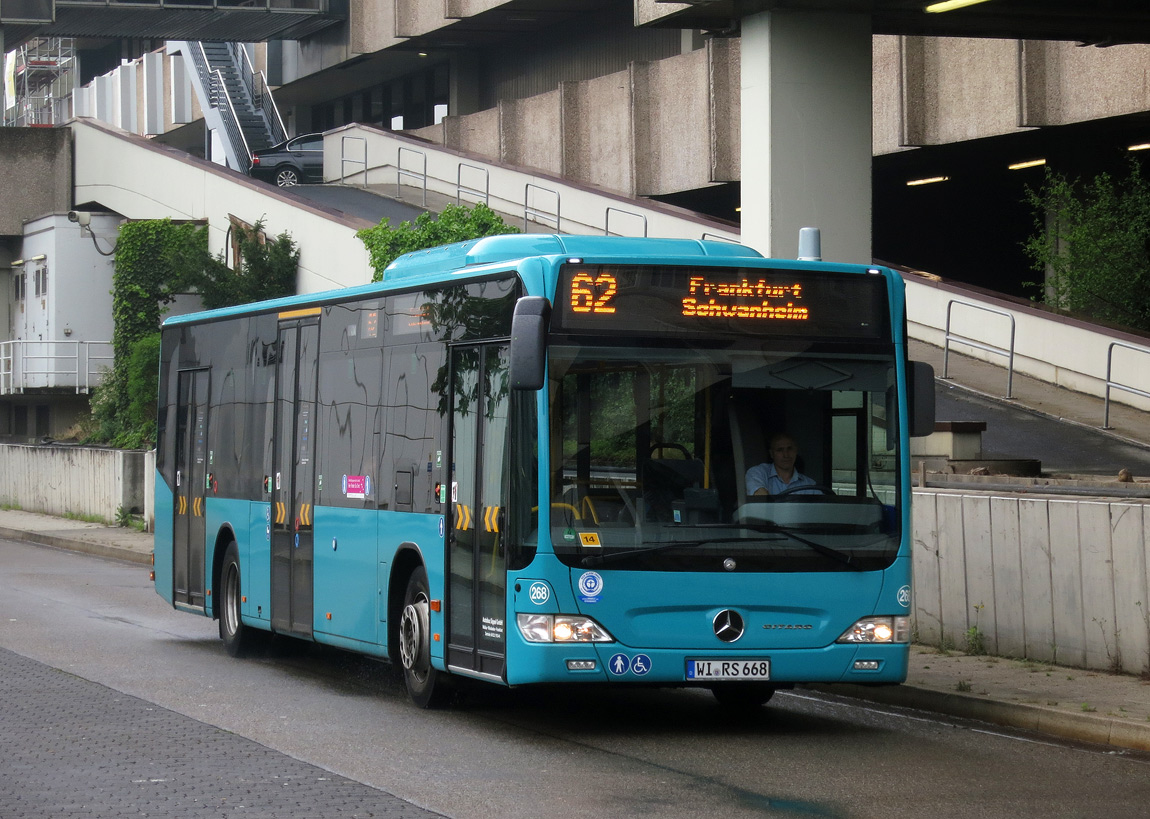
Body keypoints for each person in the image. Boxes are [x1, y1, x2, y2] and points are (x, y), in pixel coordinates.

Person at [745, 432, 817, 496]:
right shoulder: (758, 472)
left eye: (789, 449)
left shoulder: (810, 484)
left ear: (796, 451)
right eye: (780, 450)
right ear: (771, 454)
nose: (786, 455)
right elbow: (760, 499)